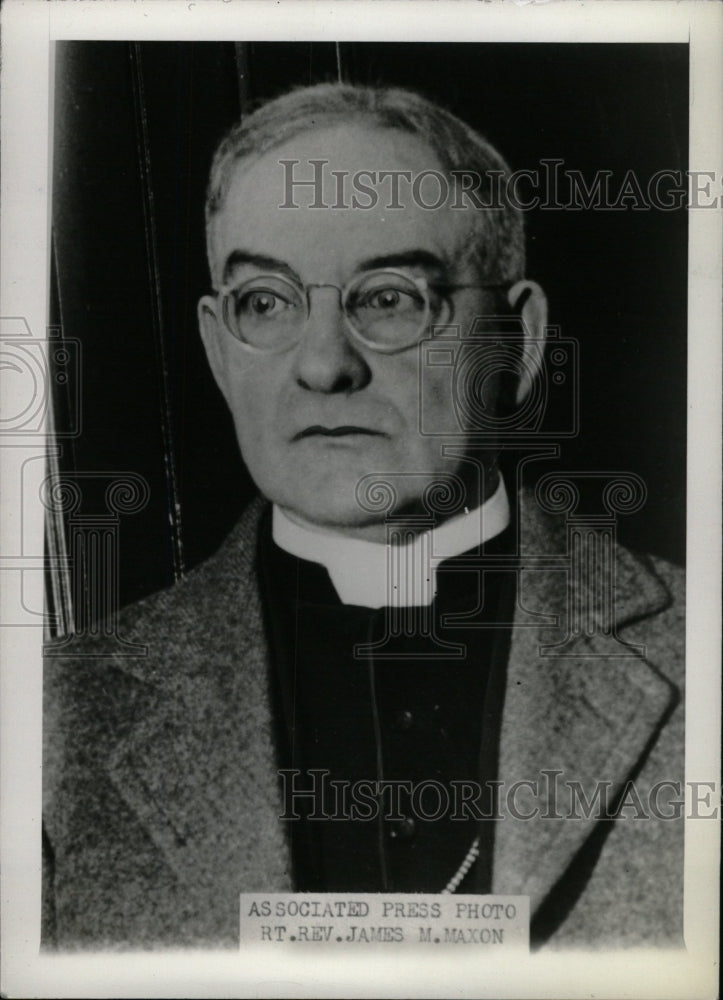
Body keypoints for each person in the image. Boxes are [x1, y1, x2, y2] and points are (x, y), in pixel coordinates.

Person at [42, 83, 684, 950]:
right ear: (217, 351)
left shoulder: (698, 654)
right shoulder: (49, 719)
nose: (323, 364)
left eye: (387, 298)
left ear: (517, 341)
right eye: (264, 302)